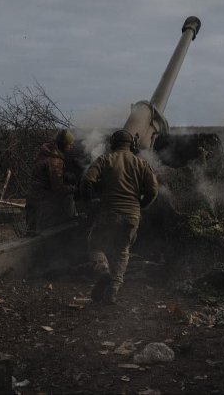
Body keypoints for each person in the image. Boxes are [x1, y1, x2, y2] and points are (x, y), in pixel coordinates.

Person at [80, 129, 158, 304]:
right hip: (132, 216)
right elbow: (153, 189)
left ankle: (103, 272)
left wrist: (89, 203)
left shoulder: (105, 160)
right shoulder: (142, 163)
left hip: (108, 212)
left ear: (113, 144)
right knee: (122, 251)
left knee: (95, 245)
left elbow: (87, 181)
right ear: (133, 145)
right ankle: (113, 290)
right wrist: (141, 205)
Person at [25, 129, 78, 235]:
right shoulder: (55, 160)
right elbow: (58, 188)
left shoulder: (45, 152)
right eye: (70, 145)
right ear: (63, 144)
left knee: (32, 233)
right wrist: (75, 188)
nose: (71, 147)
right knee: (44, 239)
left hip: (33, 198)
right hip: (43, 204)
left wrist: (64, 176)